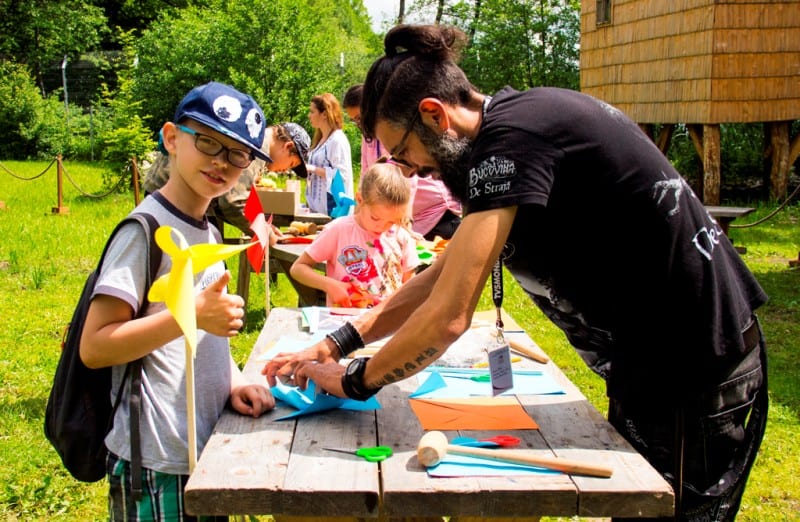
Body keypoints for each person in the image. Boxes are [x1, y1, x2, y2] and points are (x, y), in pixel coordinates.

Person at [264, 25, 769, 522]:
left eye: (404, 154)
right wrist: (340, 342)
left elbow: (448, 317)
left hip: (693, 367)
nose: (411, 171)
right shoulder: (507, 133)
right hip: (660, 364)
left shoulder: (511, 142)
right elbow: (442, 275)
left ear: (434, 115)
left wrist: (354, 380)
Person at [81, 81, 276, 521]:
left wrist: (236, 381)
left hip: (203, 451)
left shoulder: (207, 230)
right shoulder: (144, 231)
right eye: (208, 141)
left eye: (238, 154)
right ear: (172, 138)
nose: (222, 162)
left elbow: (203, 340)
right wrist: (190, 314)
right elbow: (96, 346)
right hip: (156, 457)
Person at [143, 121, 311, 236]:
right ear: (287, 146)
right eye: (291, 163)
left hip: (179, 197)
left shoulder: (257, 138)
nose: (285, 170)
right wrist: (262, 230)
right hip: (174, 200)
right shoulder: (257, 146)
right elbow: (232, 202)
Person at [290, 161, 419, 308]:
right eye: (375, 218)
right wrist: (330, 285)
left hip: (388, 323)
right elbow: (298, 268)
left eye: (391, 221)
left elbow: (410, 285)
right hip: (345, 323)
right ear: (360, 200)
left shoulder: (401, 236)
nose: (382, 226)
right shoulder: (338, 230)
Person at [343, 84, 462, 240]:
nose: (359, 124)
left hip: (436, 214)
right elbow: (366, 180)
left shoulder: (394, 129)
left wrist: (405, 223)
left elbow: (405, 179)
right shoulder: (369, 138)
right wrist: (355, 223)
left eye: (359, 118)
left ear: (373, 108)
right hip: (408, 219)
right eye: (354, 121)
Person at [305, 92, 354, 216]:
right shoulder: (320, 140)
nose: (309, 115)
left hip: (333, 210)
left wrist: (313, 169)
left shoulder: (337, 140)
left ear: (324, 114)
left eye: (312, 112)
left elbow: (341, 175)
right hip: (316, 209)